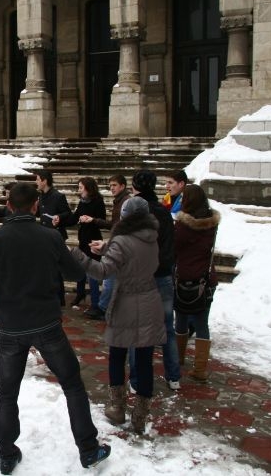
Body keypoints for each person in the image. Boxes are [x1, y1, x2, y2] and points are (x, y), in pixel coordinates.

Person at [0, 183, 111, 474]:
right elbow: (73, 273)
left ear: (8, 206)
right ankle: (88, 448)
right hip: (46, 324)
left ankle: (6, 453)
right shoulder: (49, 237)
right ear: (35, 207)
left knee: (8, 393)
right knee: (72, 384)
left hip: (11, 328)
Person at [72, 196, 166, 434]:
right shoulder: (152, 237)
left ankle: (117, 407)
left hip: (126, 302)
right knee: (144, 360)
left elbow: (104, 272)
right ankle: (140, 417)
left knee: (117, 354)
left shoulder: (122, 240)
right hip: (149, 299)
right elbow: (135, 257)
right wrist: (107, 248)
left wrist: (80, 257)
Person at [128, 170, 181, 391]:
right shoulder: (163, 211)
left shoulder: (135, 212)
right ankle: (173, 376)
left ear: (137, 187)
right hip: (163, 275)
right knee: (167, 328)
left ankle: (137, 379)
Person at [173, 184, 221, 383]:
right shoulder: (212, 224)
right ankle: (200, 368)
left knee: (181, 320)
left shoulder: (183, 226)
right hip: (205, 278)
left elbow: (174, 248)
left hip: (184, 277)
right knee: (202, 323)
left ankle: (178, 358)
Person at [88, 174, 130, 319]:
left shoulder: (126, 202)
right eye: (110, 185)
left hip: (119, 245)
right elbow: (114, 224)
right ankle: (104, 306)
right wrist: (94, 220)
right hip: (115, 242)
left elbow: (121, 227)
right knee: (109, 278)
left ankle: (103, 307)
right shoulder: (119, 201)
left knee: (109, 278)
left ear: (123, 186)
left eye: (114, 185)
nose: (111, 188)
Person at [64, 177, 106, 310]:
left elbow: (102, 220)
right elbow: (74, 218)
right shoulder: (82, 202)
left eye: (81, 187)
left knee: (92, 274)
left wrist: (91, 219)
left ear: (88, 188)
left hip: (93, 241)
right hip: (83, 240)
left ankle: (95, 303)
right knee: (80, 269)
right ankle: (80, 294)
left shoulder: (98, 202)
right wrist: (60, 220)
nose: (79, 190)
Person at [34, 170, 71, 306]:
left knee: (55, 269)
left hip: (56, 236)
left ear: (44, 181)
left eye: (38, 179)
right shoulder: (41, 196)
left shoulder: (58, 196)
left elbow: (68, 213)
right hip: (44, 235)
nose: (36, 182)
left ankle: (59, 298)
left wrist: (59, 217)